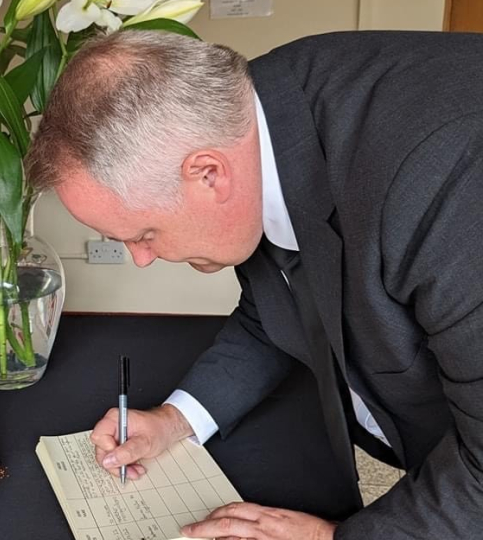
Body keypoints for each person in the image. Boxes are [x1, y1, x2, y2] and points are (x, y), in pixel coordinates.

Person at [24, 29, 483, 539]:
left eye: (144, 234)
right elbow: (279, 304)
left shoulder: (447, 181)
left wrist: (328, 538)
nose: (142, 260)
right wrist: (176, 420)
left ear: (207, 175)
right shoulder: (257, 119)